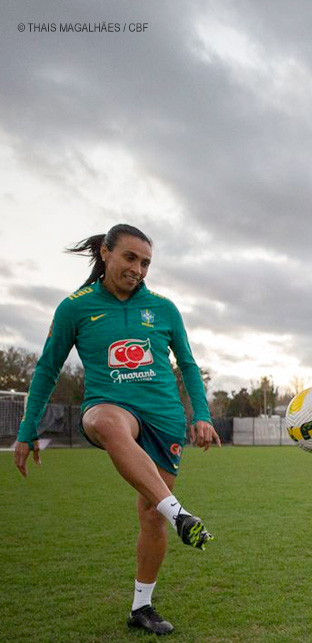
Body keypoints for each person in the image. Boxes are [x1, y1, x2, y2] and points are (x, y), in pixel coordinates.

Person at [14, 223, 221, 636]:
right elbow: (47, 368)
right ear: (106, 253)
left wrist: (202, 414)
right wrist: (26, 428)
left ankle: (141, 608)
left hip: (164, 417)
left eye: (145, 262)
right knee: (107, 422)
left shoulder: (164, 308)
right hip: (109, 407)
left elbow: (189, 364)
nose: (138, 269)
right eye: (130, 258)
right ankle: (182, 515)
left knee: (151, 513)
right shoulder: (75, 307)